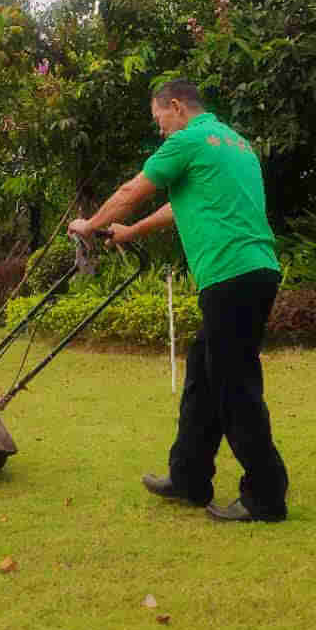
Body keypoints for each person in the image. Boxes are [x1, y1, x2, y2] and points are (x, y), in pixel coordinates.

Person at [68, 80, 289, 522]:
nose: (162, 132)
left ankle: (266, 496)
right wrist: (128, 232)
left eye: (160, 121)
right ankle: (188, 477)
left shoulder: (187, 140)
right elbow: (181, 206)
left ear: (175, 107)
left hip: (231, 274)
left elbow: (134, 190)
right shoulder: (233, 143)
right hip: (252, 270)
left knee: (235, 388)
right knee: (202, 377)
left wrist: (90, 224)